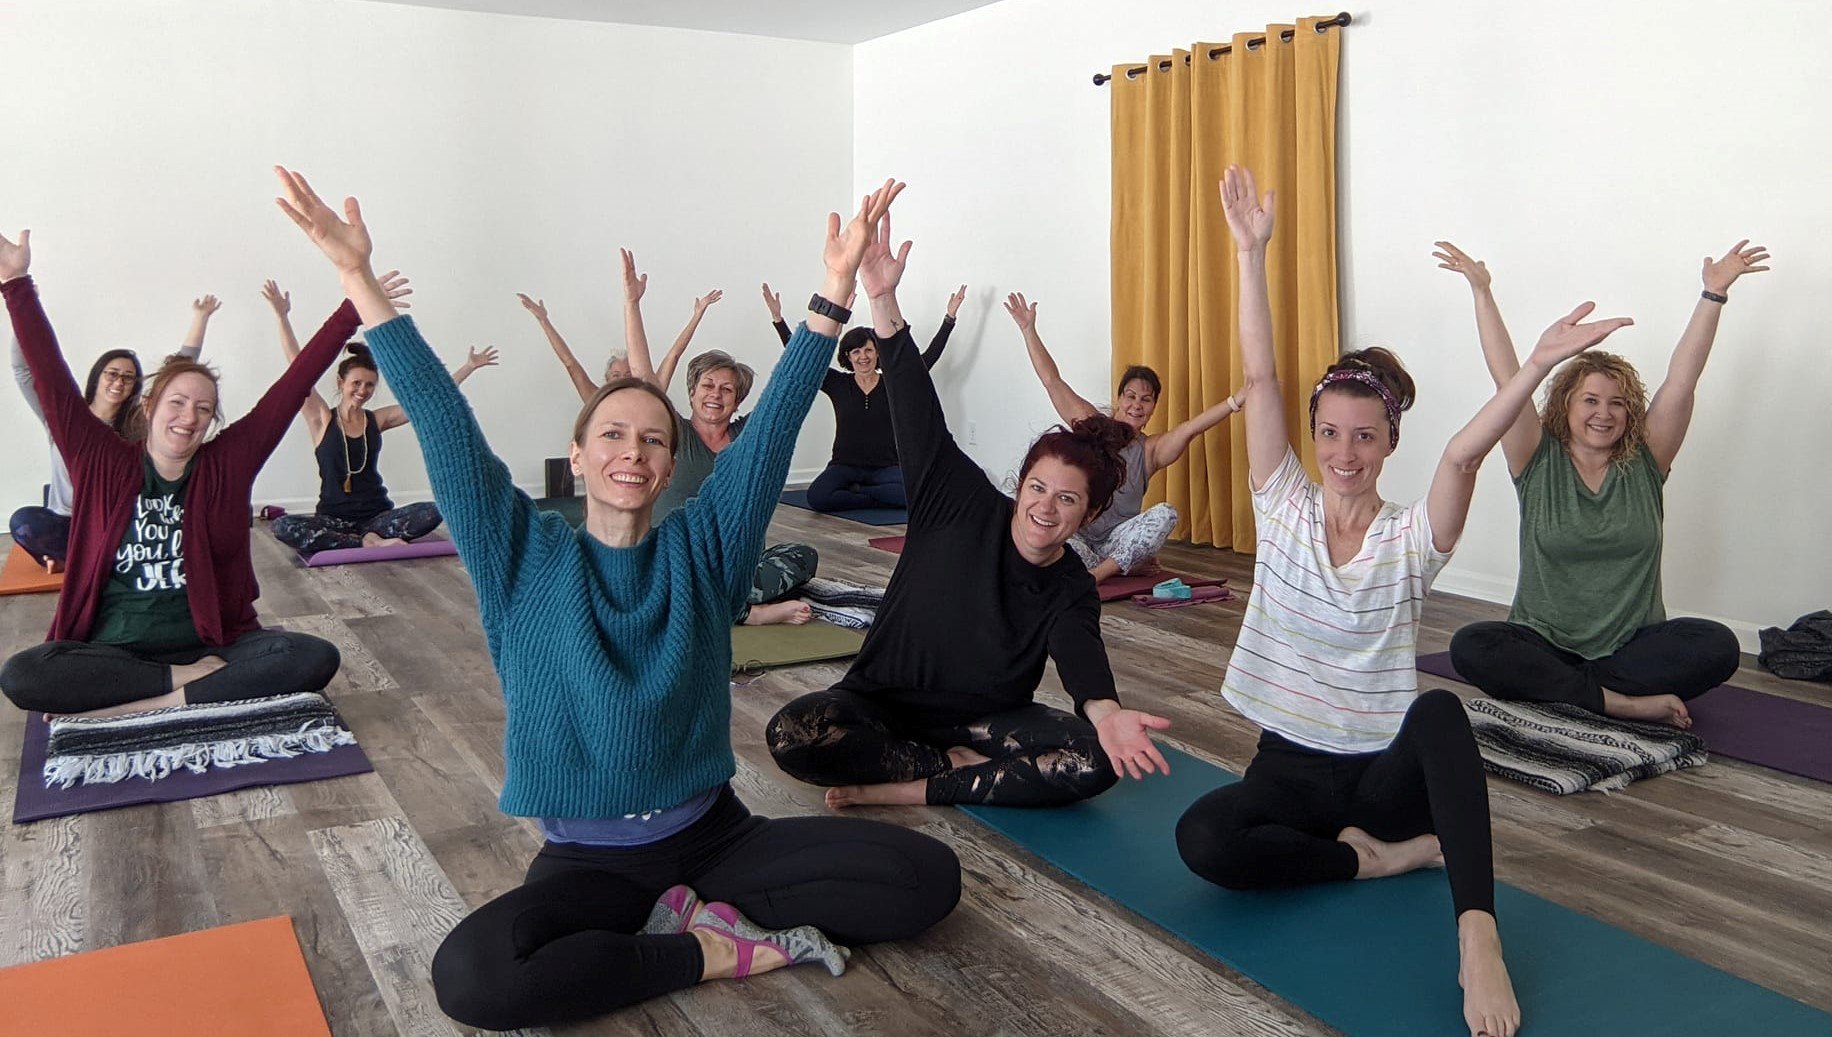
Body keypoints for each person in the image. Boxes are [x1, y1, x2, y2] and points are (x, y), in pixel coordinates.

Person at [272, 166, 958, 1029]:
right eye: (613, 435)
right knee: (475, 978)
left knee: (926, 880)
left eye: (652, 440)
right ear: (581, 451)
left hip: (715, 839)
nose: (632, 452)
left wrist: (831, 291)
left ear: (671, 465)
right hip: (585, 861)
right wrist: (358, 282)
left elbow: (774, 432)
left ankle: (689, 918)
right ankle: (705, 948)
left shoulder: (702, 548)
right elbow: (447, 426)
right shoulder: (521, 554)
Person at [1173, 167, 1636, 1037]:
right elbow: (1260, 374)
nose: (1344, 452)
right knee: (1202, 839)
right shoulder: (1281, 503)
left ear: (1388, 443)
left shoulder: (1408, 538)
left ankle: (1477, 933)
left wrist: (1538, 362)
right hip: (1289, 770)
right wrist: (1251, 253)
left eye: (1364, 436)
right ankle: (1374, 867)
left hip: (1383, 777)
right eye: (1330, 433)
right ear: (1314, 438)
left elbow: (1462, 457)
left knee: (1442, 716)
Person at [765, 211, 1172, 810]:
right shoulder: (956, 499)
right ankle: (945, 772)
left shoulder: (1067, 585)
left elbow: (1085, 666)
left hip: (984, 725)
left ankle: (911, 786)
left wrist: (1107, 714)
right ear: (1021, 483)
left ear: (1087, 516)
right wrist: (882, 297)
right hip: (879, 703)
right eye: (1037, 488)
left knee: (1095, 758)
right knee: (794, 733)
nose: (1045, 508)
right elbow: (914, 405)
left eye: (1067, 500)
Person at [0, 228, 344, 718]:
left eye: (203, 409)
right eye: (177, 402)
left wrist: (355, 298)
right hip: (115, 650)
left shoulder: (226, 463)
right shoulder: (101, 458)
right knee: (23, 674)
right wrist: (16, 283)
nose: (189, 417)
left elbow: (294, 385)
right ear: (150, 405)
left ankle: (144, 705)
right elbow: (49, 376)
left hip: (212, 647)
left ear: (212, 421)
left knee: (314, 656)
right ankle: (181, 687)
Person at [1435, 240, 1764, 728]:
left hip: (1630, 648)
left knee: (1716, 645)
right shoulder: (1535, 456)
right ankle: (1619, 704)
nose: (1603, 414)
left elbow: (1680, 382)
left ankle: (1572, 693)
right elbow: (1508, 377)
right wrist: (1482, 292)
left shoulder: (1647, 461)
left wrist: (1712, 295)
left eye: (1617, 403)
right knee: (1473, 646)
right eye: (1590, 400)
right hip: (1542, 642)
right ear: (1565, 405)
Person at [622, 254, 815, 625]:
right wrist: (632, 304)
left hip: (736, 566)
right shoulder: (674, 433)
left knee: (803, 555)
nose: (716, 394)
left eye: (727, 389)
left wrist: (808, 324)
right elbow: (643, 378)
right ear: (692, 392)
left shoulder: (747, 437)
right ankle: (745, 612)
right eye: (707, 385)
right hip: (680, 559)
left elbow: (790, 391)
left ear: (738, 400)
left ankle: (724, 604)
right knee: (651, 574)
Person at [1004, 291, 1241, 583]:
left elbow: (1192, 428)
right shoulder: (1091, 424)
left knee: (1165, 513)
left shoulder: (1150, 450)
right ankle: (1121, 565)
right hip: (1076, 536)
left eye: (1146, 399)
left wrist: (1236, 401)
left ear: (1153, 407)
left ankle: (1101, 573)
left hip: (1117, 540)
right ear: (1119, 399)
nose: (1137, 405)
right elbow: (1052, 381)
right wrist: (1029, 330)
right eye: (1130, 396)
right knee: (1027, 517)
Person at [261, 276, 496, 553]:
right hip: (333, 520)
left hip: (379, 518)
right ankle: (364, 542)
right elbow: (298, 369)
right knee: (283, 526)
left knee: (436, 509)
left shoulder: (377, 419)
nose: (362, 391)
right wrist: (281, 316)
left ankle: (370, 537)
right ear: (341, 383)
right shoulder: (321, 418)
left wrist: (467, 368)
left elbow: (426, 402)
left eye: (369, 385)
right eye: (356, 384)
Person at [8, 294, 222, 568]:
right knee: (23, 522)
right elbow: (24, 371)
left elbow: (175, 373)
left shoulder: (138, 424)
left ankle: (74, 558)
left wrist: (200, 318)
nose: (119, 382)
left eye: (128, 377)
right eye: (112, 373)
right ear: (98, 376)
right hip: (67, 520)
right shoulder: (65, 419)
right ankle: (76, 555)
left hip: (110, 519)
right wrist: (22, 312)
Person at [762, 280, 963, 512]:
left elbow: (927, 359)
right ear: (848, 357)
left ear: (878, 353)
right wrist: (778, 320)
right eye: (856, 352)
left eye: (868, 350)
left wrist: (949, 319)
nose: (863, 357)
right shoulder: (838, 384)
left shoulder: (893, 383)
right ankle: (875, 497)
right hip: (845, 466)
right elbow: (803, 360)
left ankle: (858, 492)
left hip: (886, 468)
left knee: (915, 492)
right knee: (817, 497)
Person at [518, 278, 721, 401]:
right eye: (616, 375)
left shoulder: (652, 392)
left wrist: (697, 314)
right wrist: (543, 321)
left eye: (628, 374)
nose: (623, 379)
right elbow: (570, 363)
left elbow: (674, 355)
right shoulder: (595, 398)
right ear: (606, 379)